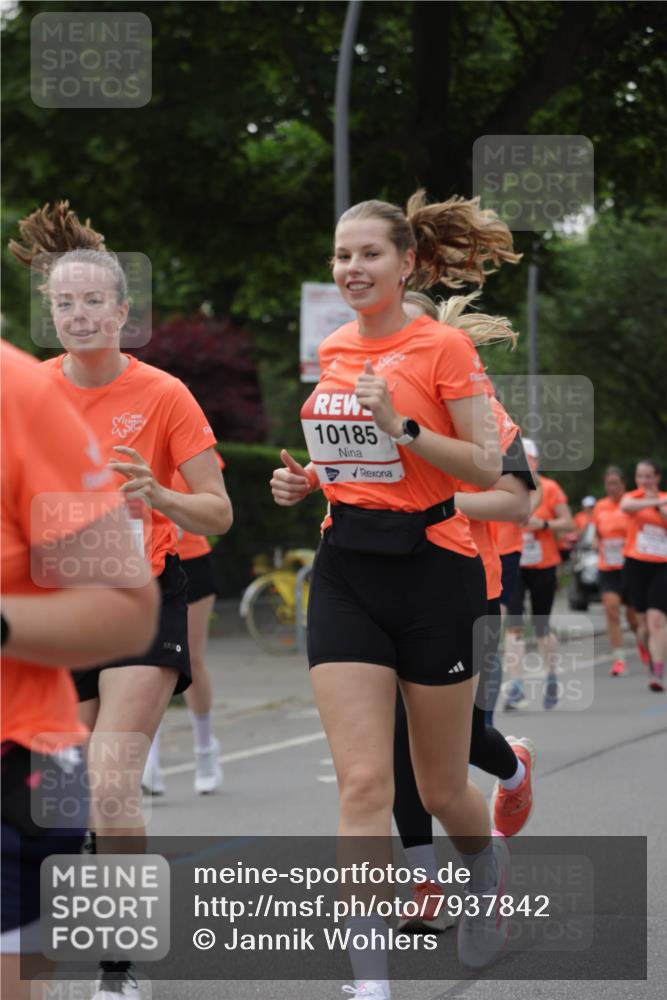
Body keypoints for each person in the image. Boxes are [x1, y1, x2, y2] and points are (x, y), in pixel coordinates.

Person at [272, 191, 521, 997]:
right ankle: (369, 980)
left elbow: (486, 468)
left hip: (435, 573)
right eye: (341, 256)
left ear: (406, 261)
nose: (351, 268)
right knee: (365, 786)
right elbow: (354, 463)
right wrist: (306, 481)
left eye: (368, 254)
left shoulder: (442, 347)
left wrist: (404, 429)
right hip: (346, 569)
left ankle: (485, 873)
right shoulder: (335, 348)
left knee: (442, 786)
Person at [9, 202, 233, 1000]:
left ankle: (119, 967)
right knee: (51, 803)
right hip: (52, 610)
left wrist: (159, 495)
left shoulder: (164, 395)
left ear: (120, 311)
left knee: (109, 786)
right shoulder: (24, 389)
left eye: (91, 301)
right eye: (62, 303)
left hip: (142, 596)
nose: (76, 315)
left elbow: (219, 512)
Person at [1, 341, 159, 1000]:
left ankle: (121, 959)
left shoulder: (19, 394)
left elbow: (125, 607)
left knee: (114, 786)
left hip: (16, 751)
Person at [388, 291, 537, 935]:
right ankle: (424, 883)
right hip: (385, 591)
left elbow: (515, 504)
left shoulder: (483, 413)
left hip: (469, 592)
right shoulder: (367, 406)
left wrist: (440, 509)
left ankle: (514, 765)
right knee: (398, 746)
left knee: (457, 745)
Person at [142, 450, 226, 796]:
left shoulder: (193, 451)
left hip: (190, 559)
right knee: (147, 663)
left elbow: (213, 503)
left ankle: (205, 748)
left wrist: (171, 506)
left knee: (191, 659)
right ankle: (150, 761)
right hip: (147, 561)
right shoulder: (134, 444)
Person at [503, 440, 575, 711]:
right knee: (514, 624)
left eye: (531, 459)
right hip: (514, 561)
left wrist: (542, 524)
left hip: (544, 563)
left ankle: (552, 677)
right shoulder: (506, 486)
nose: (527, 464)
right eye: (525, 459)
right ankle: (516, 687)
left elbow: (568, 523)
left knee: (542, 625)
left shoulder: (550, 488)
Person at [620, 460, 667, 692]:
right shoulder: (633, 498)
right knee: (642, 624)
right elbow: (625, 507)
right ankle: (650, 658)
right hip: (636, 563)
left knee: (656, 618)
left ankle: (658, 671)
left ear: (657, 477)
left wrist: (660, 505)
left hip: (662, 565)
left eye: (649, 477)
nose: (645, 481)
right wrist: (656, 500)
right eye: (641, 477)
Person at [591, 467, 637, 676]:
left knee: (634, 617)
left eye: (615, 483)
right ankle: (619, 658)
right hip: (607, 566)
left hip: (630, 566)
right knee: (611, 608)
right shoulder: (600, 506)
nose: (612, 488)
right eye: (608, 483)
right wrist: (594, 542)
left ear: (623, 485)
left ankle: (643, 642)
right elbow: (597, 533)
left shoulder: (631, 504)